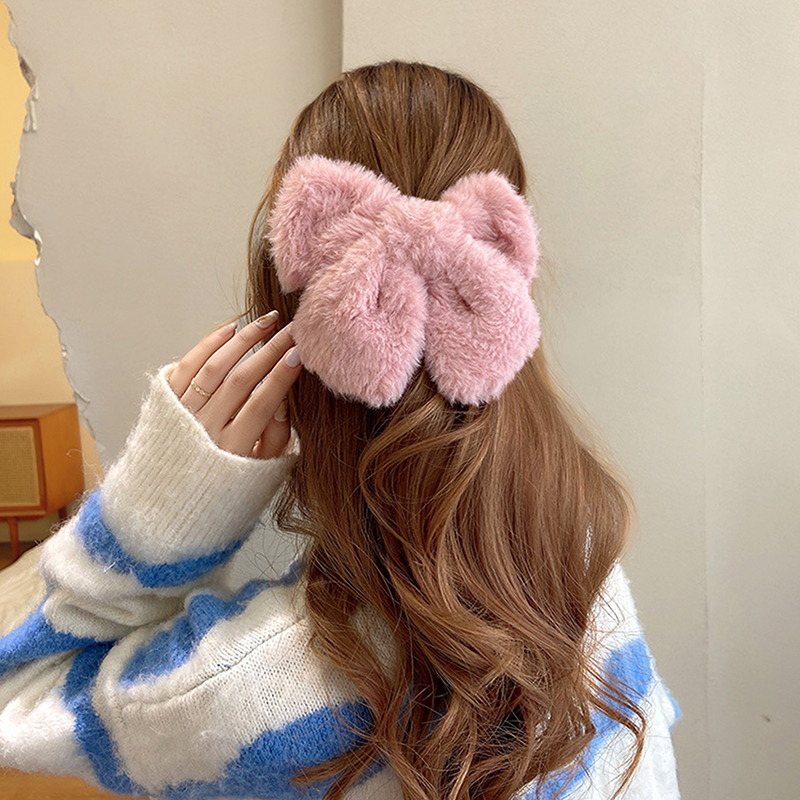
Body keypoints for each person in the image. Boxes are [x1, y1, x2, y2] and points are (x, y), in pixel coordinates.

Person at [0, 61, 681, 800]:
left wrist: (158, 512)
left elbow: (15, 688)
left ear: (294, 330)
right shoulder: (583, 567)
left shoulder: (242, 692)